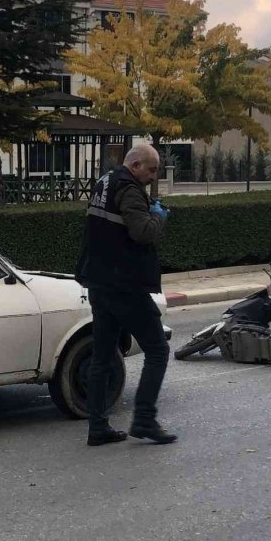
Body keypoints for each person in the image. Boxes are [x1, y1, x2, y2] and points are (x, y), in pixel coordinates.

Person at [75, 143, 177, 446]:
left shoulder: (103, 183)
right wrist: (159, 216)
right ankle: (144, 419)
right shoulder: (129, 189)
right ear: (134, 166)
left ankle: (97, 427)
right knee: (158, 350)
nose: (154, 176)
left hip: (99, 281)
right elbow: (143, 232)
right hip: (124, 284)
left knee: (102, 356)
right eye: (151, 169)